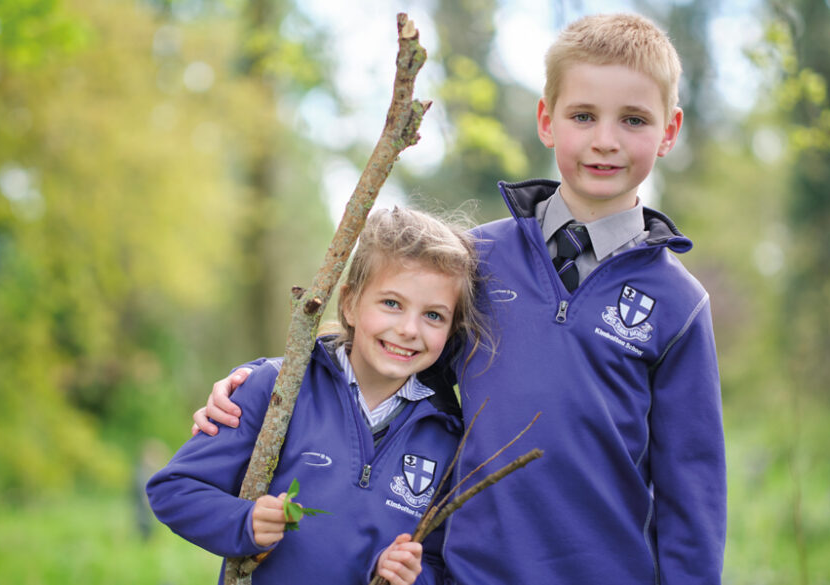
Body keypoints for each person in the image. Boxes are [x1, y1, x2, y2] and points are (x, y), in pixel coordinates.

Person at [195, 13, 726, 585]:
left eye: (634, 120)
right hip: (466, 572)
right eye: (583, 116)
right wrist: (266, 382)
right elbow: (388, 358)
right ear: (547, 121)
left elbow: (691, 492)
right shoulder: (473, 260)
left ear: (669, 132)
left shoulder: (677, 303)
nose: (605, 139)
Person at [148, 207, 491, 585]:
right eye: (391, 303)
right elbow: (175, 490)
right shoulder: (276, 388)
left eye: (433, 316)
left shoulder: (448, 435)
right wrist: (243, 522)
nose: (409, 329)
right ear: (349, 303)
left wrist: (412, 575)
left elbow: (441, 562)